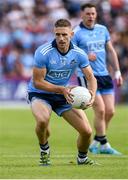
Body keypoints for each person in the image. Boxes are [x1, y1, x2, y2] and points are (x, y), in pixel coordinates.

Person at [27, 18, 98, 166]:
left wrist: (92, 94)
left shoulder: (79, 53)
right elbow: (38, 82)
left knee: (86, 132)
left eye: (64, 35)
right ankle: (44, 151)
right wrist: (62, 89)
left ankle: (82, 159)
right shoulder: (43, 52)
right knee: (42, 121)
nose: (61, 38)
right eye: (58, 35)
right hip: (40, 93)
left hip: (63, 94)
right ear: (54, 34)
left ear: (71, 34)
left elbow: (91, 77)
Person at [72, 3, 123, 155]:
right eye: (88, 14)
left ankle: (96, 141)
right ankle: (105, 145)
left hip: (105, 74)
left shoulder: (103, 30)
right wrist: (85, 56)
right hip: (87, 76)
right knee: (100, 110)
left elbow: (111, 50)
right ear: (82, 15)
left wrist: (118, 71)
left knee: (110, 111)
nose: (91, 16)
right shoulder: (77, 33)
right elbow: (71, 54)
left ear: (96, 15)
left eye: (93, 14)